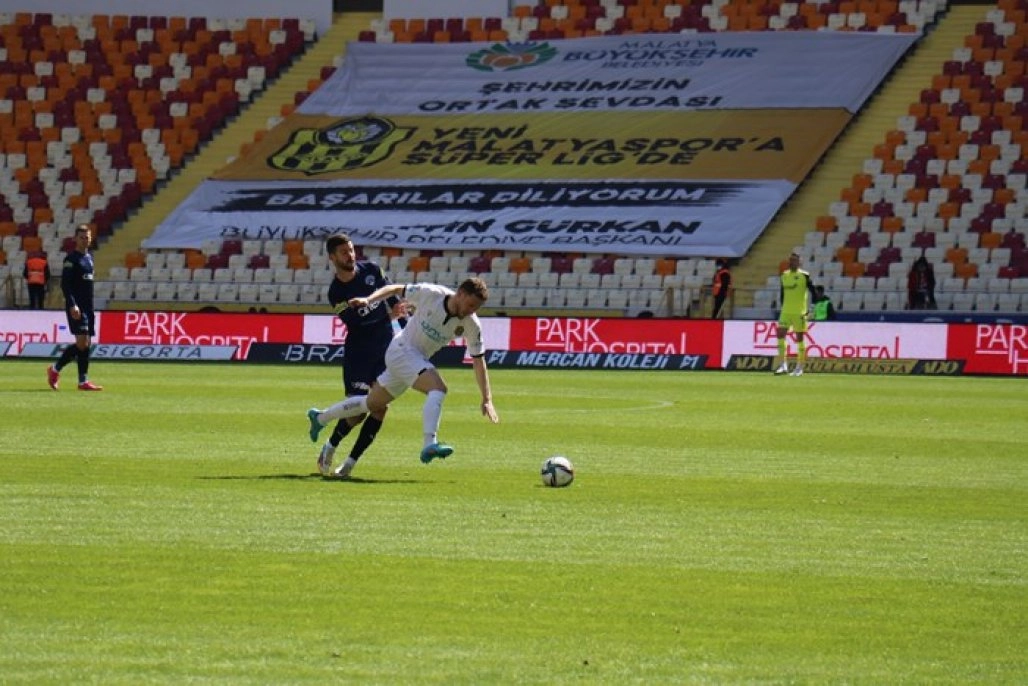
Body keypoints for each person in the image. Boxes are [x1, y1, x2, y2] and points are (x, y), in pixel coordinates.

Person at [306, 277, 499, 465]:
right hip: (401, 350)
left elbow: (478, 360)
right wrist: (368, 300)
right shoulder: (432, 294)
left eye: (476, 308)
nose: (471, 311)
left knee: (370, 403)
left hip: (414, 360)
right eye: (470, 305)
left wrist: (487, 398)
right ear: (461, 293)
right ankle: (429, 443)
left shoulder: (471, 324)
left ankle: (320, 417)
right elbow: (395, 289)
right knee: (438, 388)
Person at [315, 233, 406, 479]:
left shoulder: (373, 270)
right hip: (360, 354)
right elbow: (356, 324)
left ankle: (349, 464)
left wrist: (403, 323)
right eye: (344, 252)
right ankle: (330, 446)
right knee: (357, 413)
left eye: (352, 250)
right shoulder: (336, 292)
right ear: (332, 257)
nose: (350, 255)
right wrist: (388, 317)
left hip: (385, 350)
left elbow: (393, 297)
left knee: (380, 409)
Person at [47, 224, 102, 391]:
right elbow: (66, 285)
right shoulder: (71, 259)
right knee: (82, 342)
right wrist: (72, 304)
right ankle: (55, 369)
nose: (85, 240)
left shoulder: (89, 258)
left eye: (87, 237)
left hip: (88, 307)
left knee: (86, 343)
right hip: (77, 307)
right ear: (75, 239)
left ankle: (82, 381)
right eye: (82, 237)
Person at [774, 252, 816, 377]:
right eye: (791, 260)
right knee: (780, 335)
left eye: (795, 260)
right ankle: (783, 365)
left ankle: (800, 367)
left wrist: (811, 308)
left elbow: (814, 292)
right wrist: (782, 306)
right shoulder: (784, 275)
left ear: (799, 262)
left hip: (799, 312)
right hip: (786, 311)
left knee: (799, 338)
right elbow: (782, 293)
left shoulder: (804, 276)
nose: (792, 262)